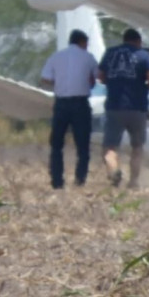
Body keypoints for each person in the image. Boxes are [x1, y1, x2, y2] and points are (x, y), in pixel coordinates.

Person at [98, 28, 149, 188]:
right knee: (137, 148)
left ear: (124, 40)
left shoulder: (110, 53)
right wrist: (145, 88)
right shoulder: (143, 55)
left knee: (109, 148)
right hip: (137, 108)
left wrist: (111, 82)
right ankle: (133, 182)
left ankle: (114, 171)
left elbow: (101, 76)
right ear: (138, 41)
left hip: (114, 107)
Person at [39, 29, 98, 189]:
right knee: (83, 145)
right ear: (82, 42)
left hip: (61, 104)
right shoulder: (89, 58)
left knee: (57, 144)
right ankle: (80, 180)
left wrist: (59, 84)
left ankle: (57, 181)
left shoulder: (56, 56)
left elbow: (45, 78)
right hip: (80, 103)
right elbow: (94, 79)